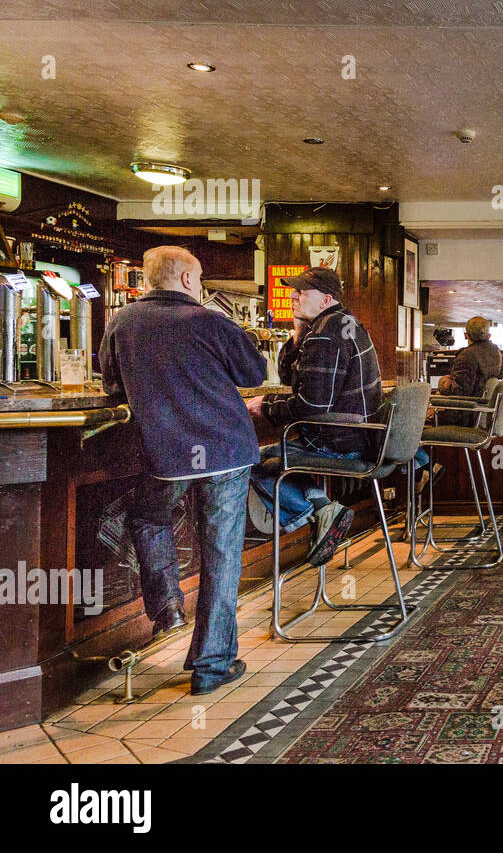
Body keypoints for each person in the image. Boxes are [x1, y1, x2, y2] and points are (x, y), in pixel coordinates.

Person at [100, 246, 266, 695]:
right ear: (190, 281)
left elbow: (111, 385)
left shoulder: (122, 322)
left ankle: (169, 607)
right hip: (226, 450)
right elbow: (254, 373)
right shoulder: (210, 321)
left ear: (150, 279)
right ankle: (211, 665)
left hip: (167, 453)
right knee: (222, 552)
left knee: (147, 517)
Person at [247, 267, 382, 567]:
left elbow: (311, 408)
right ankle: (323, 508)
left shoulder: (326, 335)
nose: (293, 295)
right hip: (360, 437)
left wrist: (265, 406)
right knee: (276, 456)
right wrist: (297, 333)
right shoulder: (346, 323)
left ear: (326, 299)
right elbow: (289, 378)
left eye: (302, 292)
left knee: (249, 461)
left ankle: (321, 509)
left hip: (338, 441)